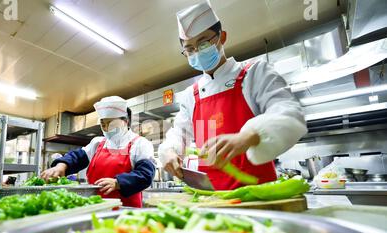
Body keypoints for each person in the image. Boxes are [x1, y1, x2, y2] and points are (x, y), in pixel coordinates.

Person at [158, 1, 307, 190]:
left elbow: (291, 115)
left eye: (203, 43)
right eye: (189, 48)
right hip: (211, 198)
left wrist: (249, 136)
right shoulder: (191, 95)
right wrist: (170, 151)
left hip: (258, 196)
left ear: (222, 37)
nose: (196, 52)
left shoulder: (253, 73)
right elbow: (179, 134)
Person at [41, 96, 156, 207]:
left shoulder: (140, 144)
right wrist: (61, 166)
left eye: (110, 123)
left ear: (125, 121)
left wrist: (118, 183)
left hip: (126, 212)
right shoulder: (97, 143)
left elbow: (145, 175)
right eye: (103, 124)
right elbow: (77, 157)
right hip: (96, 207)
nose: (106, 128)